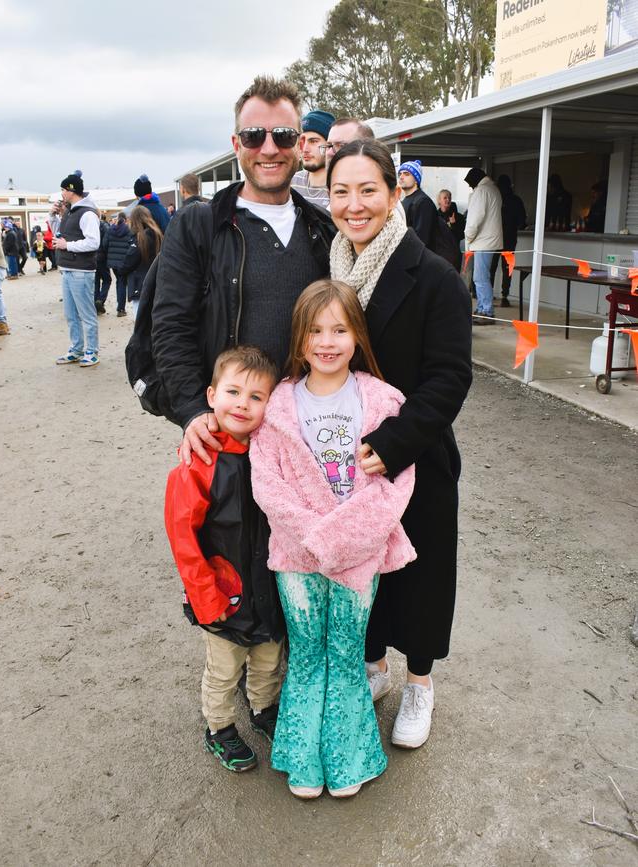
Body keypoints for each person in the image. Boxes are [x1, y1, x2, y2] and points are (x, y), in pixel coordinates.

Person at [327, 139, 472, 750]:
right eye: (341, 191)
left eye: (367, 190)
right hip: (344, 460)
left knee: (421, 576)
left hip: (415, 457)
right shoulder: (330, 269)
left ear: (393, 193)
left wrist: (394, 444)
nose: (354, 205)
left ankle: (420, 683)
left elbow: (449, 378)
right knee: (362, 572)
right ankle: (375, 668)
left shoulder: (433, 275)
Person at [250, 279, 416, 799]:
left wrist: (343, 539)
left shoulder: (382, 401)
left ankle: (350, 756)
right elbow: (267, 483)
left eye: (339, 329)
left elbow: (396, 483)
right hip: (296, 555)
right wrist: (314, 536)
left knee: (345, 652)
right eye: (315, 331)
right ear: (299, 340)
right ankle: (303, 757)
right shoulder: (276, 405)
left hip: (357, 557)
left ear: (357, 336)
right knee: (305, 650)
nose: (327, 341)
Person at [151, 75, 335, 461]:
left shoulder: (323, 230)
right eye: (254, 136)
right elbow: (171, 325)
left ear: (301, 145)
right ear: (237, 145)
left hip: (307, 435)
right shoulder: (199, 226)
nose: (269, 148)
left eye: (283, 135)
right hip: (229, 437)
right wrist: (192, 410)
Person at [164, 346, 284, 773]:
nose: (243, 404)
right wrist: (205, 597)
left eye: (256, 396)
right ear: (211, 395)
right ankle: (219, 728)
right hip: (222, 593)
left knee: (269, 659)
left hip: (268, 587)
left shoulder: (271, 452)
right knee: (224, 669)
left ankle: (264, 709)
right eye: (233, 391)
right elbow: (184, 538)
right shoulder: (198, 462)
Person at [49, 170, 101, 367]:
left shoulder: (87, 213)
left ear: (71, 191)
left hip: (81, 271)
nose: (61, 193)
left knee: (86, 314)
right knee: (71, 313)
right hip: (68, 268)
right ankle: (77, 348)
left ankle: (91, 351)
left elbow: (94, 242)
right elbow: (59, 235)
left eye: (63, 189)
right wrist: (52, 216)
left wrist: (67, 246)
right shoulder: (71, 211)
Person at [464, 167, 503, 325]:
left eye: (469, 183)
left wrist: (468, 236)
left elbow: (475, 218)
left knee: (480, 278)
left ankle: (486, 311)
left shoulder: (481, 191)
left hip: (483, 241)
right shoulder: (493, 189)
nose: (469, 187)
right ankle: (482, 308)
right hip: (489, 240)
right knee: (482, 277)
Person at [119, 206, 163, 319]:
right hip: (156, 282)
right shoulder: (158, 234)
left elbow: (130, 260)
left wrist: (121, 270)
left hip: (140, 284)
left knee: (140, 322)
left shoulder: (141, 237)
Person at [490, 174, 526, 307]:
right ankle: (505, 296)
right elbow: (522, 221)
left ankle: (489, 294)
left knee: (492, 267)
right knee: (507, 268)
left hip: (495, 239)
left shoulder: (496, 199)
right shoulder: (516, 200)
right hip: (510, 238)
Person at [291, 109, 336, 209]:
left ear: (329, 145)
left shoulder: (340, 188)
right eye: (301, 141)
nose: (305, 149)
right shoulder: (290, 182)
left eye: (313, 141)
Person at [398, 160, 436, 248]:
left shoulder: (423, 201)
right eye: (400, 174)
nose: (401, 177)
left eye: (406, 174)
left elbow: (422, 238)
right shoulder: (405, 201)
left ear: (416, 179)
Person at [105, 213, 132, 317]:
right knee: (122, 283)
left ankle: (120, 307)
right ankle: (121, 308)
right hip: (124, 262)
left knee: (119, 282)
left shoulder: (110, 230)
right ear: (125, 220)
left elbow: (105, 244)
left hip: (113, 262)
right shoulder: (129, 230)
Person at [94, 214, 111, 314]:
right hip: (102, 257)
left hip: (92, 256)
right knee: (107, 280)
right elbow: (106, 243)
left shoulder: (91, 225)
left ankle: (96, 303)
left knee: (96, 281)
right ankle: (100, 300)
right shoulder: (104, 226)